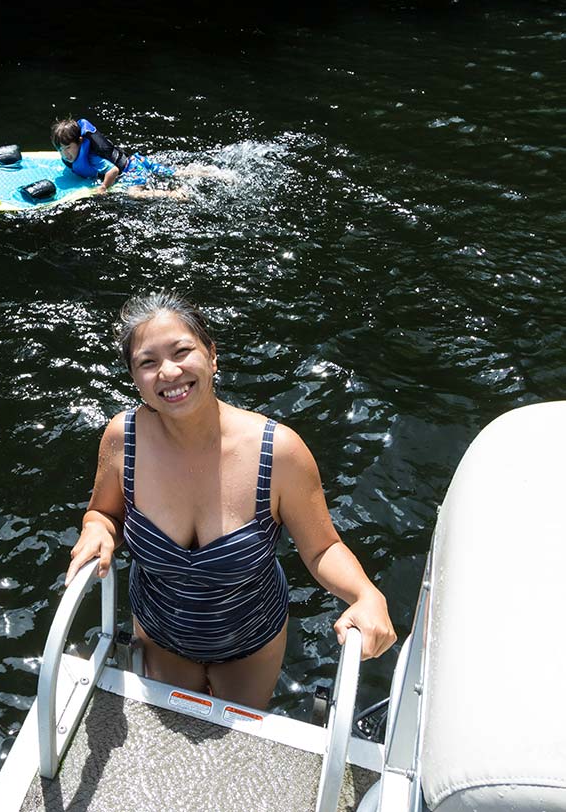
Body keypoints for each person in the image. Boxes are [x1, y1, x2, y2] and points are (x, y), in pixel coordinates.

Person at [65, 293, 395, 710]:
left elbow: (323, 548)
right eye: (148, 362)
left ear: (212, 356)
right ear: (135, 378)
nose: (168, 371)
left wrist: (367, 594)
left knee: (237, 748)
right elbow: (104, 511)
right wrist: (96, 527)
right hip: (159, 632)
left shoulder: (279, 452)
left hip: (251, 640)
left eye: (182, 351)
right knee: (177, 733)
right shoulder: (123, 438)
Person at [51, 118, 235, 198]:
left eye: (68, 148)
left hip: (131, 171)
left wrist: (103, 187)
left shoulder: (90, 157)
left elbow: (113, 170)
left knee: (135, 194)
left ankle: (173, 194)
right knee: (177, 172)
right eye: (61, 149)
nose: (65, 153)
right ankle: (213, 173)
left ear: (80, 141)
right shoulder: (71, 155)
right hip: (136, 160)